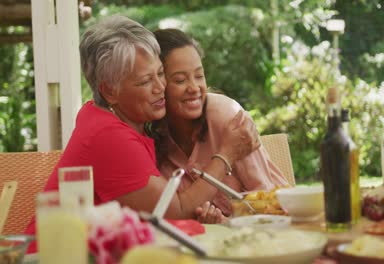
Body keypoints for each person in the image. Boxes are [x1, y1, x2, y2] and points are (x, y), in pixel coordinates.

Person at [25, 15, 260, 248]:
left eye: (160, 74)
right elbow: (175, 211)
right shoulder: (109, 137)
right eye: (145, 81)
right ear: (109, 91)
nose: (160, 88)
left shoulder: (104, 117)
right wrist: (227, 154)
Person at [150, 28, 289, 218]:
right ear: (158, 84)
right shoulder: (153, 138)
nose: (194, 88)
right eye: (180, 80)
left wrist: (226, 222)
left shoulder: (228, 118)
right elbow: (171, 214)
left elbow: (268, 202)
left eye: (199, 76)